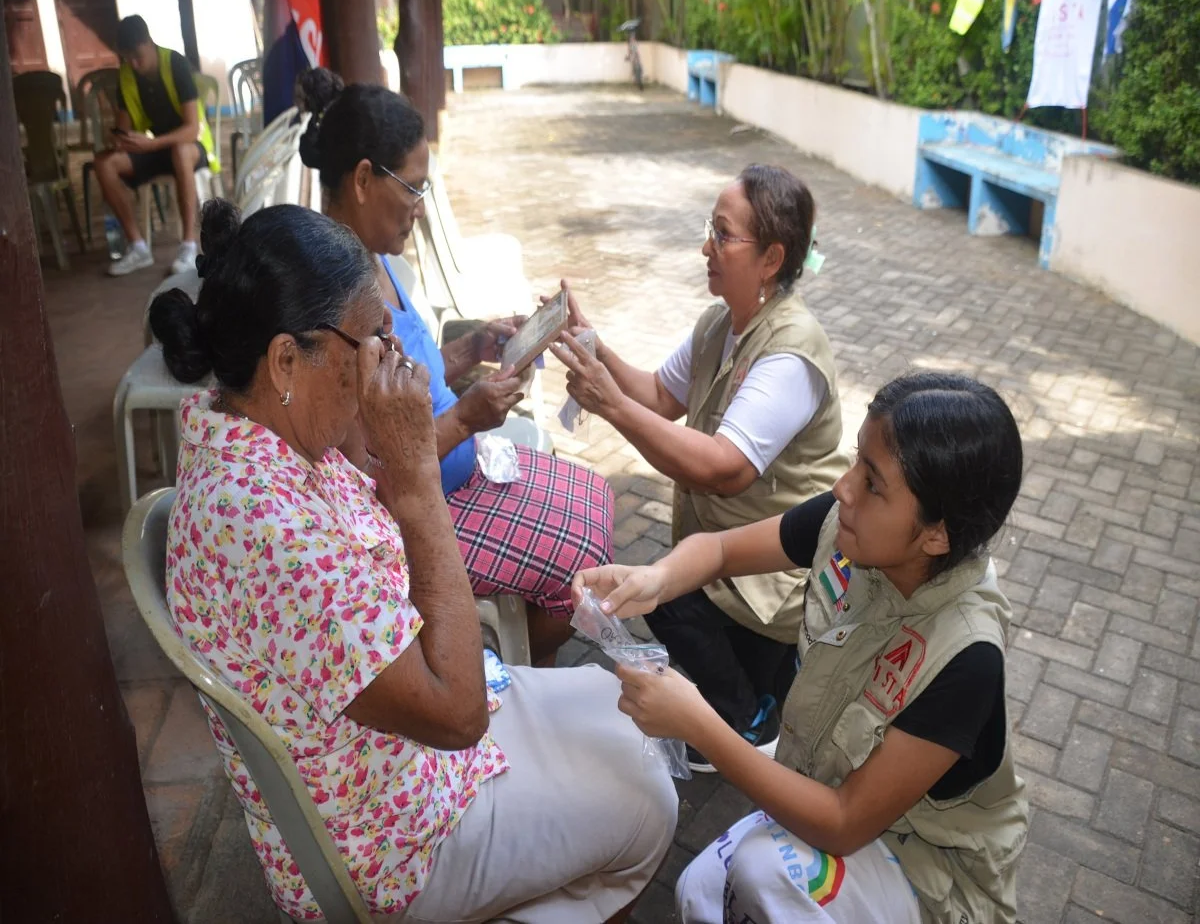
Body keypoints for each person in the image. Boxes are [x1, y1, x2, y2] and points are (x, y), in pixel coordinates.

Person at [148, 199, 677, 923]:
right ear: (284, 361)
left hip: (402, 760)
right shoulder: (264, 524)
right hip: (393, 838)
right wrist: (417, 477)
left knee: (625, 712)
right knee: (650, 798)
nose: (388, 362)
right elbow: (458, 716)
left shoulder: (270, 437)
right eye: (371, 343)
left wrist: (394, 446)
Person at [575, 372, 1029, 924]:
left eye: (873, 482)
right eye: (858, 461)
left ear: (937, 534)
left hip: (925, 866)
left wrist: (699, 725)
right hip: (828, 782)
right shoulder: (851, 525)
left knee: (762, 870)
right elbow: (719, 549)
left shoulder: (967, 657)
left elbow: (844, 822)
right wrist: (656, 579)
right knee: (698, 893)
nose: (844, 488)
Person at [295, 68, 613, 665]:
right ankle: (508, 673)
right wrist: (468, 418)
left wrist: (474, 349)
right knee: (581, 565)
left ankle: (517, 663)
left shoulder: (370, 259)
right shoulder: (336, 298)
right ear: (364, 179)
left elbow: (400, 382)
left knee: (592, 497)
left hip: (450, 480)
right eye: (413, 189)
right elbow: (369, 470)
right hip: (411, 517)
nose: (420, 207)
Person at [550, 165, 850, 769]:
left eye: (722, 234)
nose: (705, 247)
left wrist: (608, 402)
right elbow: (660, 395)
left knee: (661, 593)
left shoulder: (790, 350)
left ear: (771, 258)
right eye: (709, 229)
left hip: (777, 563)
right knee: (664, 588)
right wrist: (596, 345)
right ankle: (745, 685)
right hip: (729, 546)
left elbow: (722, 469)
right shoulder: (722, 323)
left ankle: (746, 718)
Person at [95, 15, 218, 277]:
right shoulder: (127, 74)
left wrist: (152, 144)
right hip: (152, 148)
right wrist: (120, 139)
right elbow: (124, 125)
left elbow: (192, 128)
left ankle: (188, 245)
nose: (135, 64)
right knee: (105, 163)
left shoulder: (175, 63)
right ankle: (137, 246)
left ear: (149, 43)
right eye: (128, 58)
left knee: (180, 151)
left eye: (138, 55)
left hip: (191, 147)